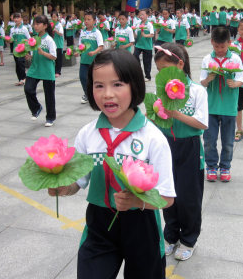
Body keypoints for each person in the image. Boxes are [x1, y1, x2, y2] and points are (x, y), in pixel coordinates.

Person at [48, 49, 175, 279]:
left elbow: (167, 198)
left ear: (134, 85)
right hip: (99, 224)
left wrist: (136, 200)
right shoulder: (88, 134)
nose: (107, 94)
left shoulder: (153, 139)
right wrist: (62, 187)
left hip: (141, 225)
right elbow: (79, 181)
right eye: (99, 85)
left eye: (117, 84)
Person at [154, 43, 208, 261]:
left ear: (180, 64)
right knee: (168, 193)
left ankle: (188, 239)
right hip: (167, 146)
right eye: (159, 72)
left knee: (189, 197)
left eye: (167, 70)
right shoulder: (162, 90)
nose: (163, 76)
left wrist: (174, 113)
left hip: (190, 149)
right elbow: (158, 118)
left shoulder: (197, 91)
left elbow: (202, 123)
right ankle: (170, 235)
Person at [200, 27, 243, 182]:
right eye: (216, 46)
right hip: (211, 107)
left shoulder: (235, 59)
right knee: (209, 140)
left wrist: (235, 83)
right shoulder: (207, 59)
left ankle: (225, 166)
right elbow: (202, 82)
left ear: (229, 43)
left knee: (227, 141)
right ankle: (211, 166)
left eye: (223, 47)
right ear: (212, 42)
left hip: (229, 107)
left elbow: (242, 78)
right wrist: (208, 79)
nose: (219, 50)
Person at [24, 15, 57, 127]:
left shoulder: (49, 40)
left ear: (45, 26)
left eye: (38, 24)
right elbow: (33, 53)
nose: (35, 26)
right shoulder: (33, 39)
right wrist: (29, 56)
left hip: (47, 69)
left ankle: (50, 117)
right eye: (35, 24)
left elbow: (54, 56)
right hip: (35, 68)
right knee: (28, 89)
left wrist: (42, 52)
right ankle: (36, 107)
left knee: (49, 95)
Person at [77, 11, 104, 104]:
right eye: (85, 19)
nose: (86, 21)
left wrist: (94, 52)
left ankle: (96, 95)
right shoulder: (83, 32)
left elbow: (101, 46)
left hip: (94, 61)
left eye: (89, 19)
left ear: (94, 21)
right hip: (84, 60)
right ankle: (87, 94)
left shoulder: (97, 32)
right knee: (82, 77)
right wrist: (77, 52)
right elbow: (80, 45)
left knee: (94, 79)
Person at [8, 12, 30, 86]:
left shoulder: (24, 29)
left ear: (21, 19)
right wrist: (8, 39)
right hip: (15, 50)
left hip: (22, 50)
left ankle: (24, 78)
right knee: (17, 65)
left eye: (18, 18)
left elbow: (29, 39)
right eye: (15, 18)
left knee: (21, 64)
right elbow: (11, 39)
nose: (16, 19)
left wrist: (27, 49)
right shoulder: (12, 29)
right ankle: (20, 79)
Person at [133, 9, 154, 82]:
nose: (141, 16)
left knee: (147, 62)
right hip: (138, 45)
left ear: (147, 15)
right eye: (140, 15)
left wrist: (145, 35)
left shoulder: (149, 24)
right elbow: (135, 35)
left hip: (147, 46)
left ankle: (148, 76)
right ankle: (138, 71)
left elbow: (152, 34)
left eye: (143, 14)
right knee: (135, 56)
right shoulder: (138, 24)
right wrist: (133, 31)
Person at [51, 11, 64, 78]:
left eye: (55, 17)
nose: (53, 18)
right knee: (53, 58)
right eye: (52, 17)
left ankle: (58, 71)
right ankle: (53, 71)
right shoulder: (51, 24)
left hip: (59, 44)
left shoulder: (59, 25)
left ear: (57, 17)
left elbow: (61, 33)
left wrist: (56, 30)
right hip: (53, 44)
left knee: (59, 59)